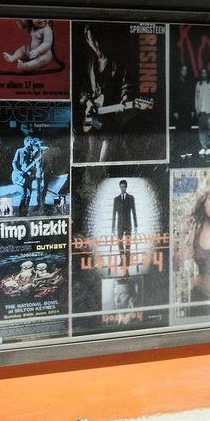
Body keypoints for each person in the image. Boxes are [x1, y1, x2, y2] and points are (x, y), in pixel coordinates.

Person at [78, 23, 131, 162]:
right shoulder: (90, 63)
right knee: (91, 155)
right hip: (95, 121)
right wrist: (88, 102)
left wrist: (125, 100)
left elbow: (127, 85)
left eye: (99, 39)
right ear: (88, 41)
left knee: (104, 159)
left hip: (112, 120)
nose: (97, 44)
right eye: (93, 40)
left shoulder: (118, 61)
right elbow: (83, 90)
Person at [11, 136, 44, 212]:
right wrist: (18, 171)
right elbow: (14, 162)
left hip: (29, 175)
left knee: (29, 194)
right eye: (29, 142)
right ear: (25, 142)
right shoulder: (20, 151)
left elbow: (35, 164)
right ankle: (21, 211)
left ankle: (25, 211)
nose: (31, 143)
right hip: (21, 175)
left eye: (31, 142)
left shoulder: (33, 152)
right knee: (24, 193)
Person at [112, 180, 137, 275]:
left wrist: (136, 225)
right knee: (119, 243)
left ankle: (127, 262)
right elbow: (114, 213)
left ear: (126, 187)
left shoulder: (131, 198)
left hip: (128, 225)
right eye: (121, 187)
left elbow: (134, 211)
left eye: (124, 187)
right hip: (119, 225)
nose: (122, 188)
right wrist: (113, 226)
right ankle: (123, 260)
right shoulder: (116, 199)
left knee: (128, 244)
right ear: (120, 187)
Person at [194, 68, 210, 156]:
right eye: (202, 73)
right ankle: (204, 147)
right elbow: (196, 98)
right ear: (201, 74)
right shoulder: (198, 84)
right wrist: (197, 109)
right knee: (202, 130)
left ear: (207, 74)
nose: (204, 74)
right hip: (201, 111)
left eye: (205, 73)